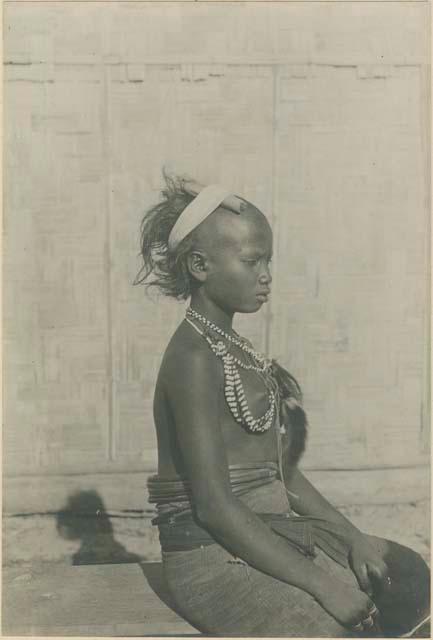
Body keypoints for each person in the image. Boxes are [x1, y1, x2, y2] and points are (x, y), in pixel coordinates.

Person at [134, 173, 430, 638]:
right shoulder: (192, 359)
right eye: (252, 261)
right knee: (347, 628)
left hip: (269, 533)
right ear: (199, 265)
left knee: (408, 576)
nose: (266, 275)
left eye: (268, 260)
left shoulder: (235, 348)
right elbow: (213, 508)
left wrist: (351, 537)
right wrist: (322, 586)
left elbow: (282, 474)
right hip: (213, 557)